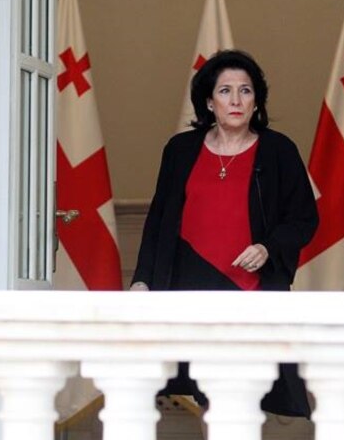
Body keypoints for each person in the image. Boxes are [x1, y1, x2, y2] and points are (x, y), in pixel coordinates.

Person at [131, 49, 318, 417]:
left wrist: (268, 247)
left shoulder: (279, 150)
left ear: (256, 102)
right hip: (188, 288)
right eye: (225, 91)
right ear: (208, 102)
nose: (235, 100)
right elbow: (158, 222)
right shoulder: (180, 150)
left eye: (245, 91)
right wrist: (142, 280)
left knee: (240, 394)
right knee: (206, 396)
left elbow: (303, 219)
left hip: (249, 290)